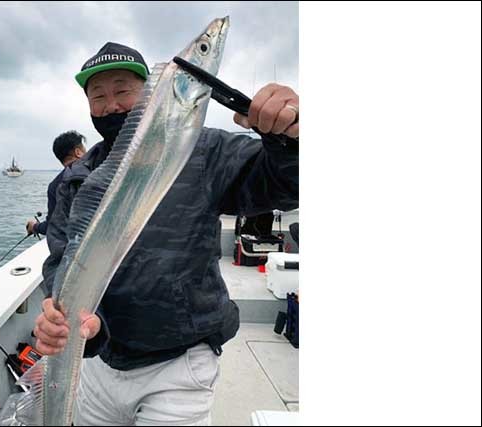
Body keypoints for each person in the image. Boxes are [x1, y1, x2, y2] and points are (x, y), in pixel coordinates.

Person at [36, 42, 299, 425]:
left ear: (150, 92)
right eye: (98, 96)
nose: (111, 105)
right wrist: (65, 319)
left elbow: (281, 183)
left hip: (178, 365)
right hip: (98, 363)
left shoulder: (203, 149)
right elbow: (59, 261)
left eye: (123, 91)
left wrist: (288, 141)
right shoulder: (75, 180)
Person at [25, 131, 86, 237]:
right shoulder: (100, 169)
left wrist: (35, 226)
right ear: (78, 152)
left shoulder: (54, 186)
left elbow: (52, 227)